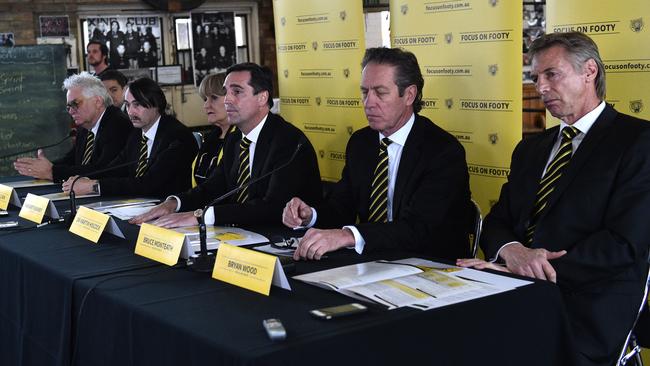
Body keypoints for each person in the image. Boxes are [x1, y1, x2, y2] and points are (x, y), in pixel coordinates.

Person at [457, 32, 650, 366]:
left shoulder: (638, 141)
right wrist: (511, 252)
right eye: (535, 78)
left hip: (588, 305)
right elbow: (498, 220)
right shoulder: (530, 149)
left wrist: (528, 269)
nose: (540, 88)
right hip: (511, 290)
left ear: (589, 71)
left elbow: (624, 244)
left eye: (551, 74)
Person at [283, 47, 471, 261]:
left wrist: (348, 236)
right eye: (365, 92)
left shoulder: (443, 151)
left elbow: (420, 229)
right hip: (370, 262)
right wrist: (310, 215)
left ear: (409, 95)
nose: (368, 103)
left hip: (429, 265)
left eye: (380, 93)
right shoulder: (361, 142)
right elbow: (342, 206)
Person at [129, 62, 321, 228]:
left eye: (236, 92)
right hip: (239, 233)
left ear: (262, 98)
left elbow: (272, 207)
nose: (228, 99)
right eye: (226, 92)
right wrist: (173, 203)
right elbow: (213, 188)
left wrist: (201, 216)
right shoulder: (235, 138)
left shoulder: (288, 140)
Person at [62, 77, 197, 199]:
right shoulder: (136, 134)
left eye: (137, 104)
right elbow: (114, 169)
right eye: (127, 105)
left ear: (156, 104)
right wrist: (82, 180)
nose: (130, 112)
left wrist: (94, 186)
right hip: (140, 204)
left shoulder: (177, 136)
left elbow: (149, 183)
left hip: (169, 210)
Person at [14, 72, 132, 182]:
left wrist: (52, 172)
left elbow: (103, 170)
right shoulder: (85, 126)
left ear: (98, 102)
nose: (71, 111)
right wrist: (45, 167)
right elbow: (73, 160)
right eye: (68, 106)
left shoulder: (118, 124)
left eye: (75, 104)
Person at [192, 73, 233, 186]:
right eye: (205, 99)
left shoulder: (241, 138)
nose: (206, 105)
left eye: (214, 98)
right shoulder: (211, 137)